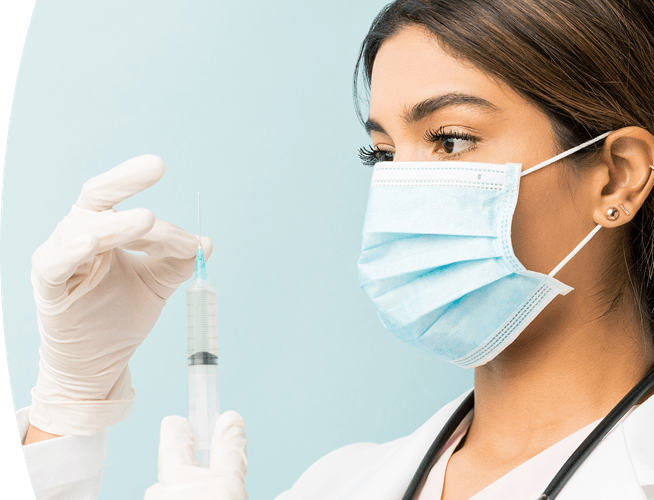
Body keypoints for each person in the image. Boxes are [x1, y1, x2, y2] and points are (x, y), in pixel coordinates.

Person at [16, 0, 654, 498]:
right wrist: (68, 409)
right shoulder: (341, 485)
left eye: (451, 140)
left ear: (616, 176)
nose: (399, 185)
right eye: (382, 153)